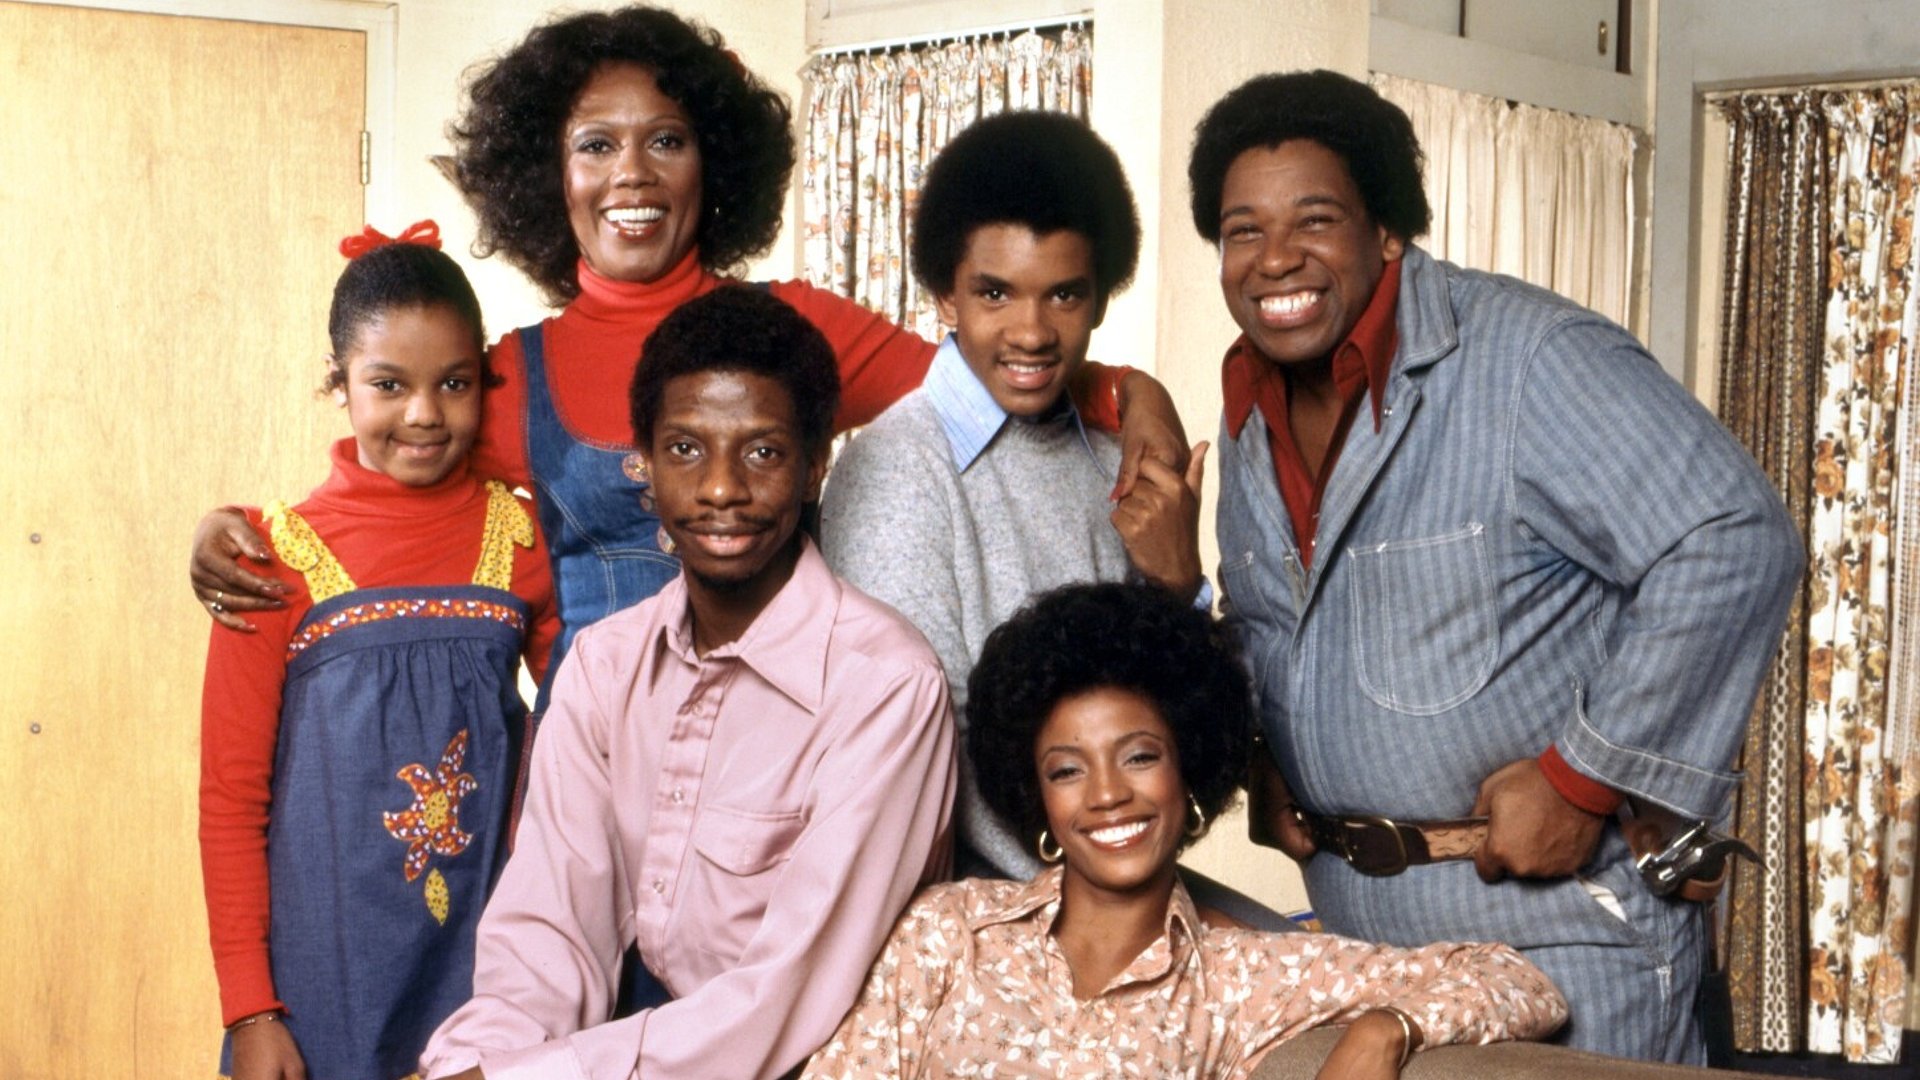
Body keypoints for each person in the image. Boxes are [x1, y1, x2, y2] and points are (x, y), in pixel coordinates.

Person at [189, 5, 1189, 695]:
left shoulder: (800, 328)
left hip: (784, 752)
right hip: (594, 776)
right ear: (548, 174)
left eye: (666, 140)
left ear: (714, 166)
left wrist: (1130, 392)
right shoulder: (503, 379)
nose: (632, 173)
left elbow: (994, 370)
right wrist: (240, 530)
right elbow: (382, 491)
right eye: (596, 144)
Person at [1188, 70, 1803, 1062]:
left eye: (1315, 221)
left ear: (1389, 230)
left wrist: (1583, 778)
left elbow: (1731, 537)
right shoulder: (1246, 411)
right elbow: (1276, 619)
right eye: (1242, 231)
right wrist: (1267, 751)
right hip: (1360, 952)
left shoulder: (1531, 359)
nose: (1275, 259)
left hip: (1560, 938)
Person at [420, 286, 956, 1080]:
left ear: (815, 468)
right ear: (644, 464)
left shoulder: (887, 688)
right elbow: (546, 941)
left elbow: (784, 1001)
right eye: (685, 449)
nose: (720, 490)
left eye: (763, 453)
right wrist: (473, 1063)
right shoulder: (604, 667)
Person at [802, 583, 1568, 1079]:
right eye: (1067, 770)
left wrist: (1388, 1028)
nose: (1108, 794)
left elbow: (1515, 980)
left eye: (1139, 756)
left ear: (1188, 772)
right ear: (1037, 798)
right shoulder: (950, 930)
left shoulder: (1241, 978)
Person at [198, 223, 559, 1080]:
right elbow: (230, 800)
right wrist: (251, 1009)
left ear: (484, 383)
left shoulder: (522, 536)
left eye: (454, 383)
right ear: (339, 382)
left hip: (483, 975)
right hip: (317, 990)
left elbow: (584, 730)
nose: (424, 413)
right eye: (388, 384)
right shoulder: (269, 558)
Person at [819, 110, 1207, 883]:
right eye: (995, 294)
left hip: (1119, 873)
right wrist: (1098, 898)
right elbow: (935, 748)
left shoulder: (1113, 456)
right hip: (994, 897)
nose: (1031, 332)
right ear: (945, 296)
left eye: (1063, 296)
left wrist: (1179, 587)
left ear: (1101, 299)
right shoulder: (895, 468)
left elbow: (1182, 721)